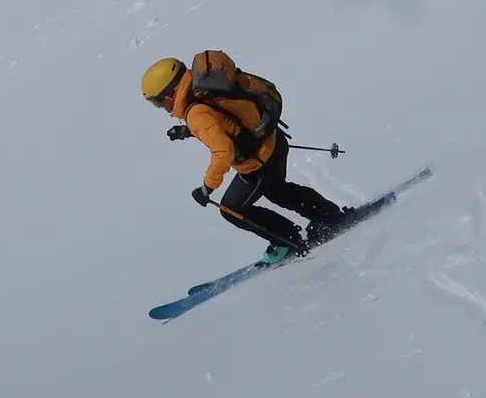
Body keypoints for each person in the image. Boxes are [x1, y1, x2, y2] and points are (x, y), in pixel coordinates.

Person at [141, 54, 350, 261]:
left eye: (158, 102)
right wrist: (187, 131)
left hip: (258, 162)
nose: (162, 108)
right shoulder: (202, 87)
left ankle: (288, 240)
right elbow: (223, 119)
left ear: (170, 94)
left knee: (232, 209)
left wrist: (207, 188)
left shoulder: (196, 114)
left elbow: (223, 152)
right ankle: (327, 214)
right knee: (277, 190)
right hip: (273, 139)